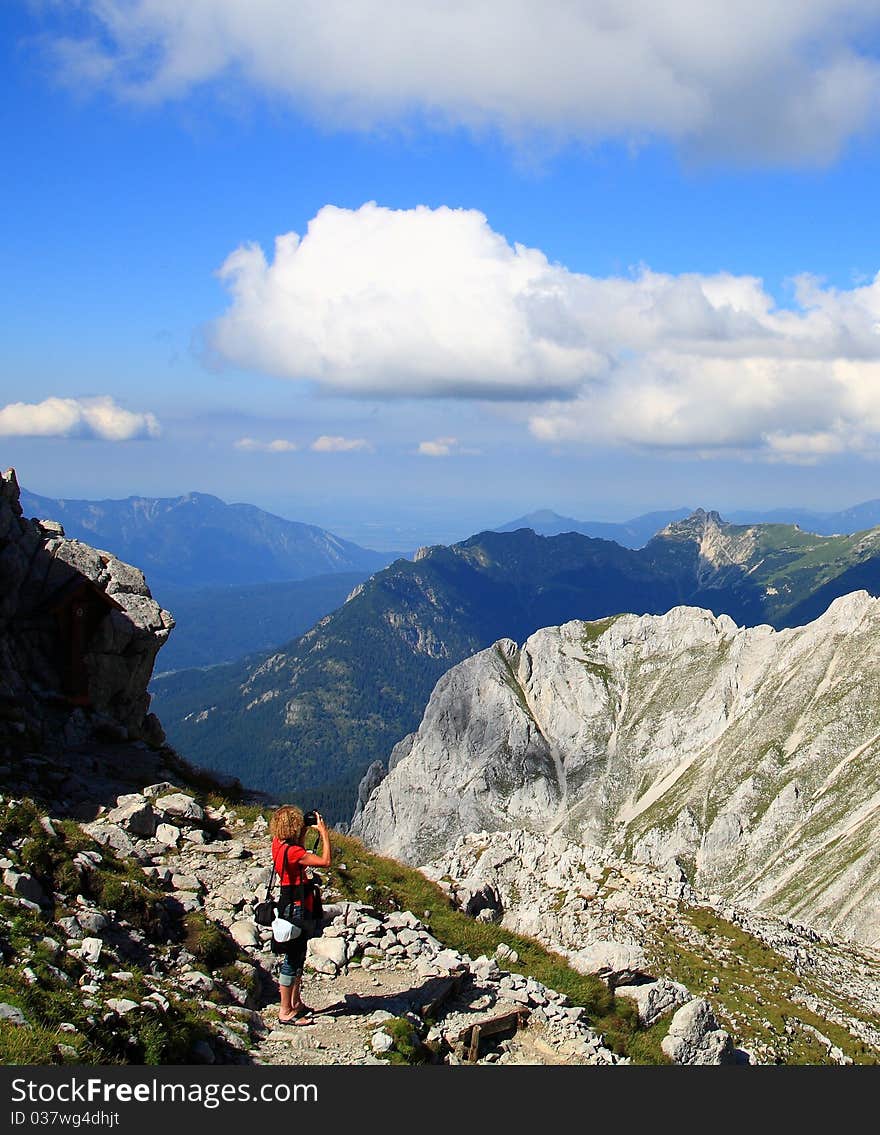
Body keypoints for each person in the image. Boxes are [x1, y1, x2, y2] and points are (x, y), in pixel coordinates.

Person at [268, 804, 331, 1025]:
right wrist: (323, 833)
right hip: (297, 905)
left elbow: (296, 849)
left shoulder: (279, 845)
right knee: (293, 958)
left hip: (288, 900)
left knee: (298, 954)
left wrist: (304, 830)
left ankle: (296, 1003)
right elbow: (325, 861)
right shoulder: (295, 852)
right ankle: (285, 1011)